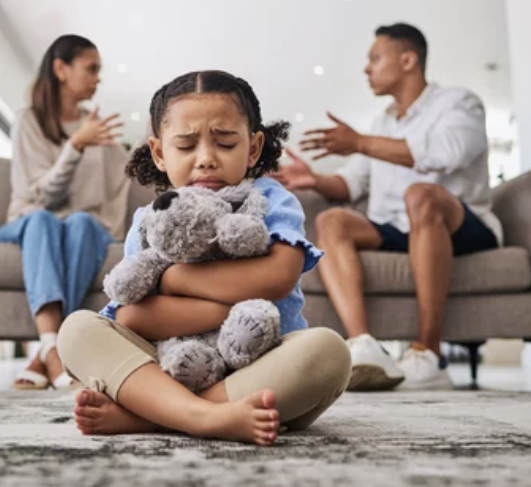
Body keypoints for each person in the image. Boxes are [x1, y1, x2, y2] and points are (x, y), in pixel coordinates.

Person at [57, 70, 351, 445]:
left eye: (226, 144)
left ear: (254, 148)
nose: (206, 160)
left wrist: (172, 280)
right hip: (169, 362)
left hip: (260, 365)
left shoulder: (270, 199)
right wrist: (230, 300)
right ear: (160, 152)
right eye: (186, 146)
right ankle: (205, 416)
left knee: (329, 352)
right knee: (77, 330)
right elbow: (132, 318)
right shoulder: (151, 221)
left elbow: (278, 277)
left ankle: (155, 415)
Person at [276, 23, 502, 391]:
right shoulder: (381, 122)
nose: (367, 68)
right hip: (399, 228)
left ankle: (429, 352)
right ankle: (365, 346)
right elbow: (351, 183)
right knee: (332, 220)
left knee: (420, 195)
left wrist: (361, 142)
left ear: (408, 59)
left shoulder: (459, 103)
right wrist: (314, 179)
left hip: (461, 227)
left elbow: (448, 154)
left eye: (375, 58)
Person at [0, 34, 130, 390]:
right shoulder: (29, 121)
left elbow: (115, 187)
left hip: (76, 227)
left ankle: (48, 350)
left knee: (83, 222)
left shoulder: (96, 127)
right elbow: (37, 197)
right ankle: (59, 353)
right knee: (43, 219)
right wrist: (76, 146)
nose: (98, 78)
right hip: (27, 221)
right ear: (60, 69)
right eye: (91, 68)